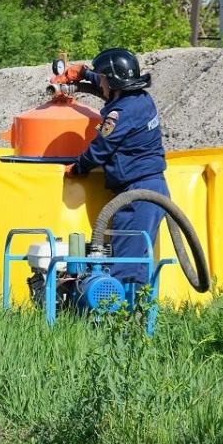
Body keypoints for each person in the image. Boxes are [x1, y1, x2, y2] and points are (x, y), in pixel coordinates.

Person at [65, 47, 169, 290]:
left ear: (112, 80)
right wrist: (84, 73)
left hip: (137, 195)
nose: (100, 83)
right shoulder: (141, 99)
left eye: (102, 78)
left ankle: (115, 324)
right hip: (153, 190)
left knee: (123, 268)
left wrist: (77, 168)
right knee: (138, 266)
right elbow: (111, 89)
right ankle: (139, 321)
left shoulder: (121, 113)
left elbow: (100, 148)